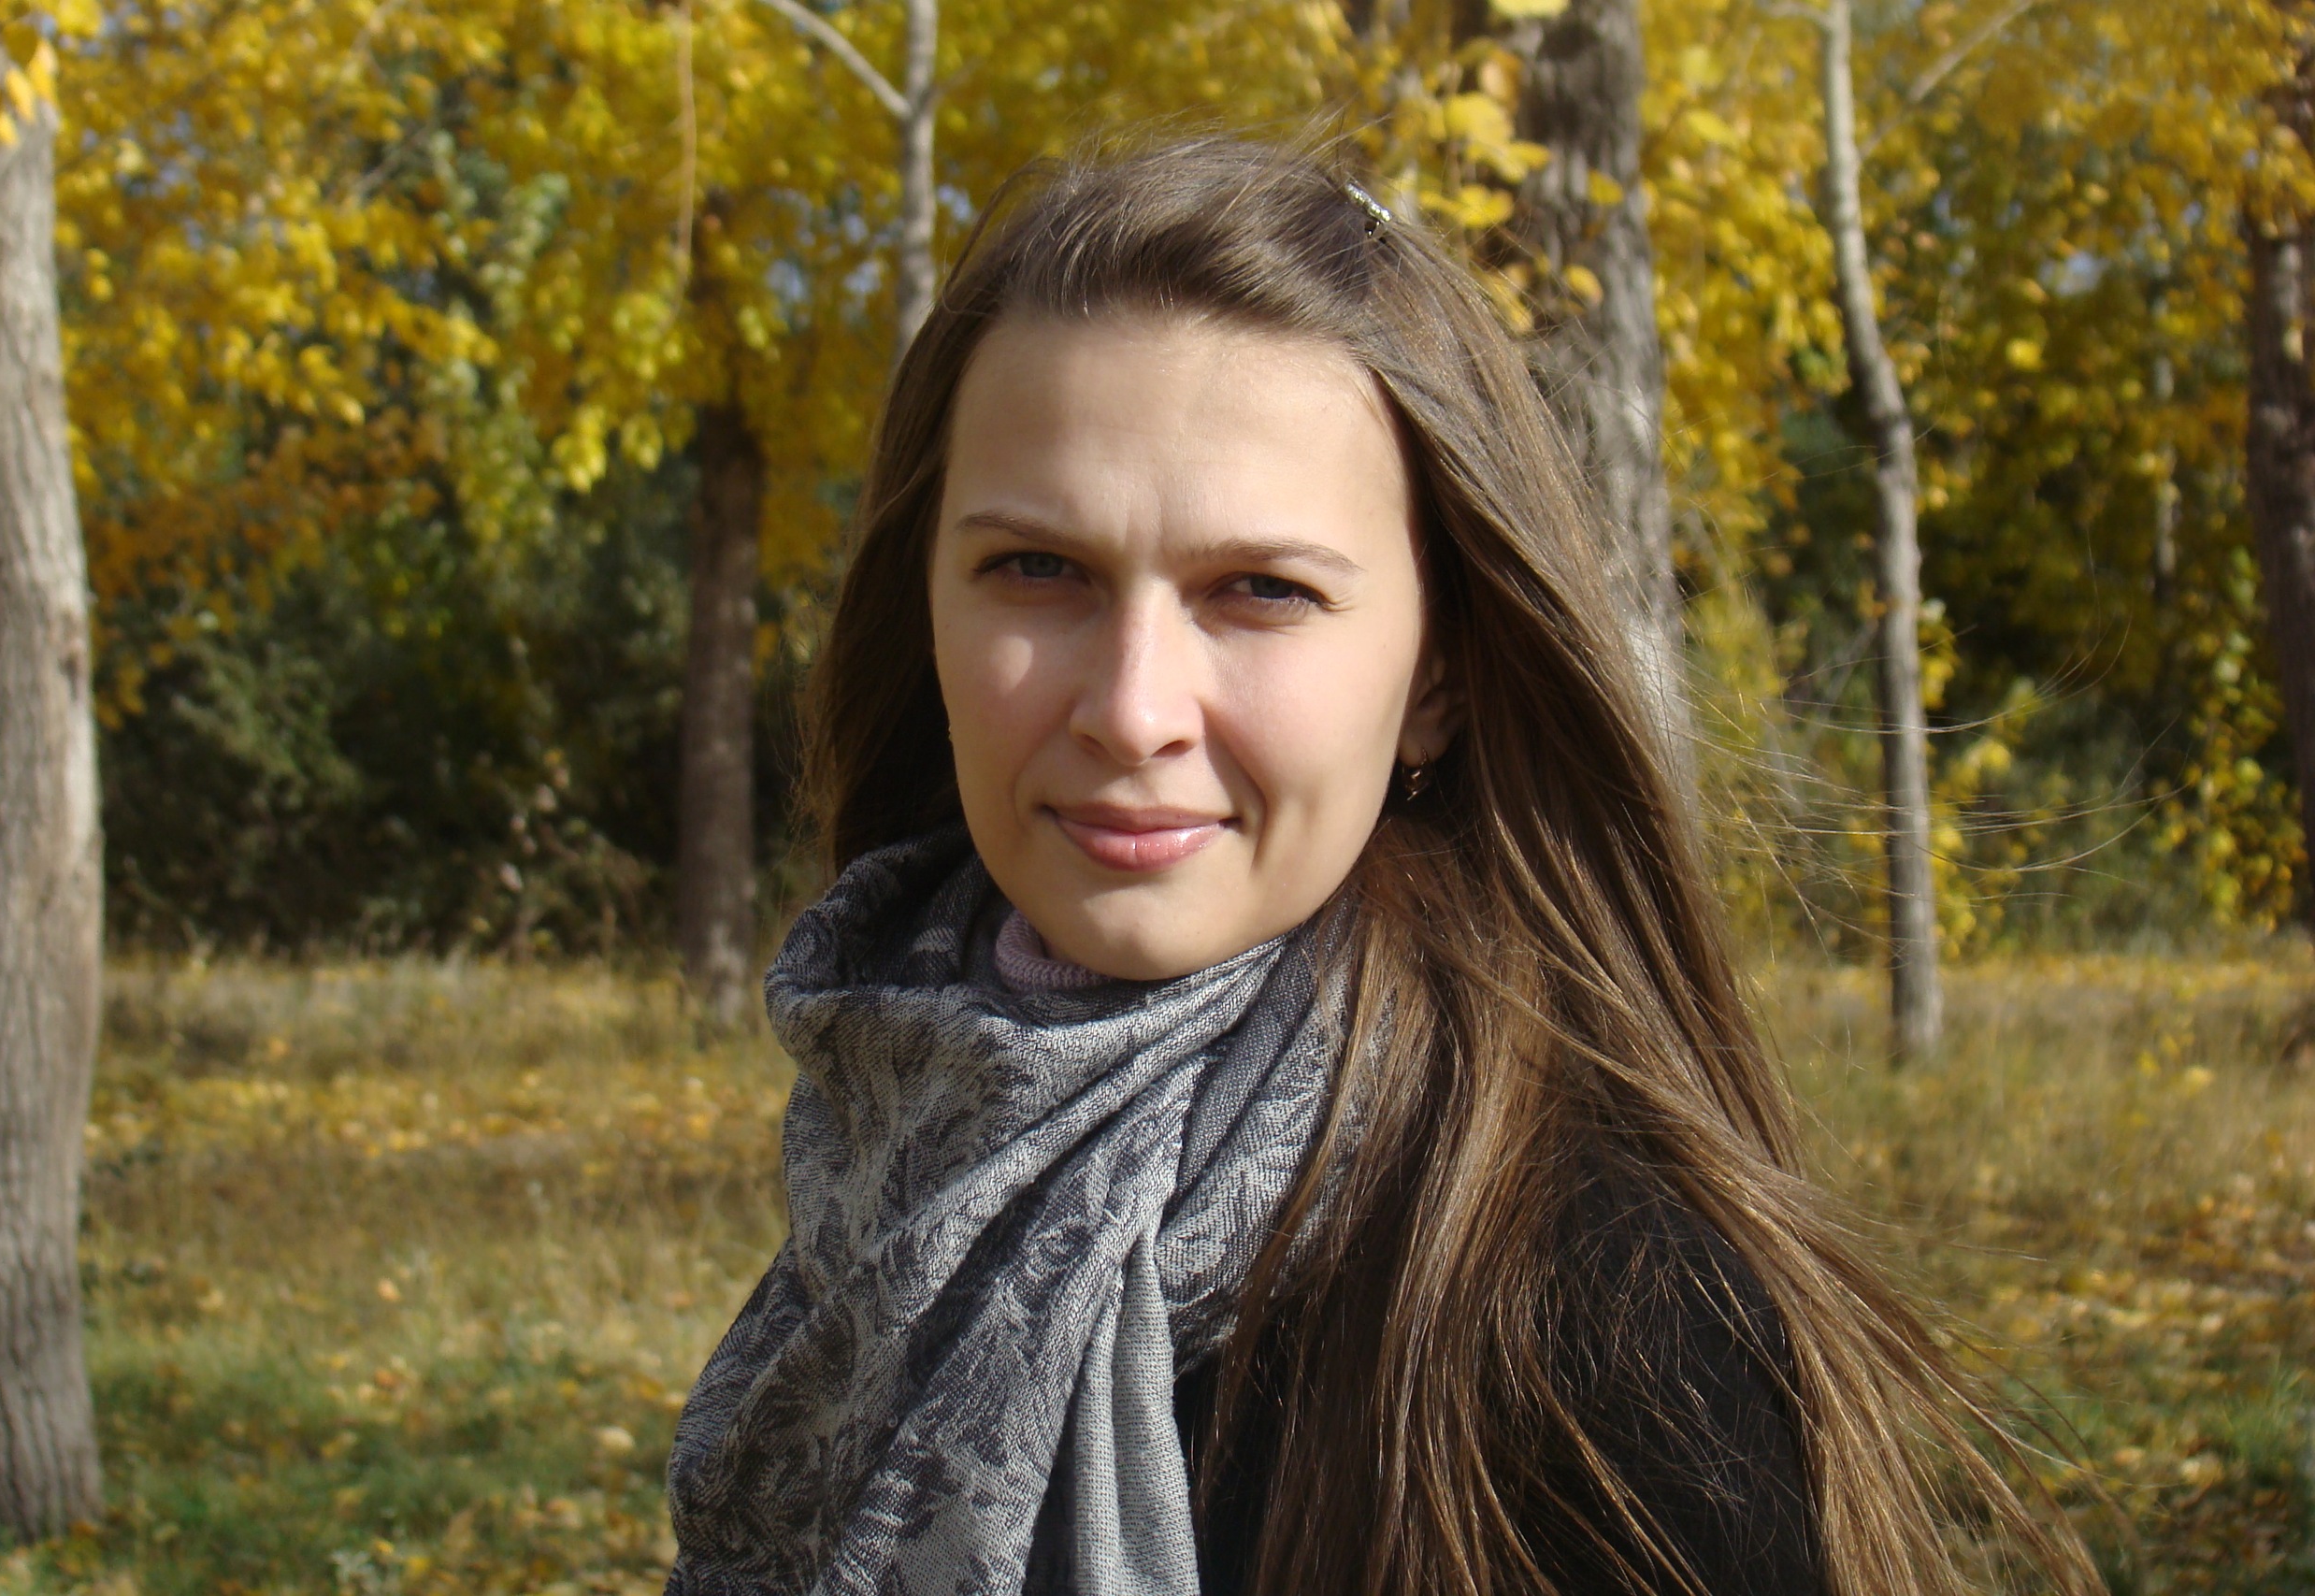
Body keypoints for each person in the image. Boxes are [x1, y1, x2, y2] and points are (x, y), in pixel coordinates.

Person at [662, 136, 2098, 1596]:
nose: (1133, 710)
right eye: (1039, 569)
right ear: (928, 606)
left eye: (1261, 591)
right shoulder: (898, 1150)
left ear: (1437, 678)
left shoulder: (1602, 1330)